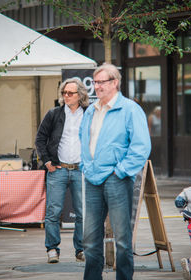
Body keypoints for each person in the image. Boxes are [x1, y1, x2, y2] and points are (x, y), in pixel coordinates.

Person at [79, 63, 151, 280]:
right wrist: (85, 165)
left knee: (122, 239)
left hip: (116, 179)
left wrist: (121, 171)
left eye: (101, 82)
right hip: (92, 178)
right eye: (95, 82)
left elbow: (141, 147)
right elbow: (84, 141)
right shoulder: (91, 110)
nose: (97, 87)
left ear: (115, 83)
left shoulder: (130, 109)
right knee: (90, 240)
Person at [35, 78, 89, 264]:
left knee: (83, 212)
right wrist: (47, 161)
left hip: (80, 169)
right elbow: (40, 138)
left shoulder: (89, 114)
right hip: (58, 169)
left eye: (70, 93)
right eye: (64, 92)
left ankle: (80, 250)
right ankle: (52, 249)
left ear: (80, 95)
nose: (66, 96)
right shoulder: (54, 114)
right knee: (53, 211)